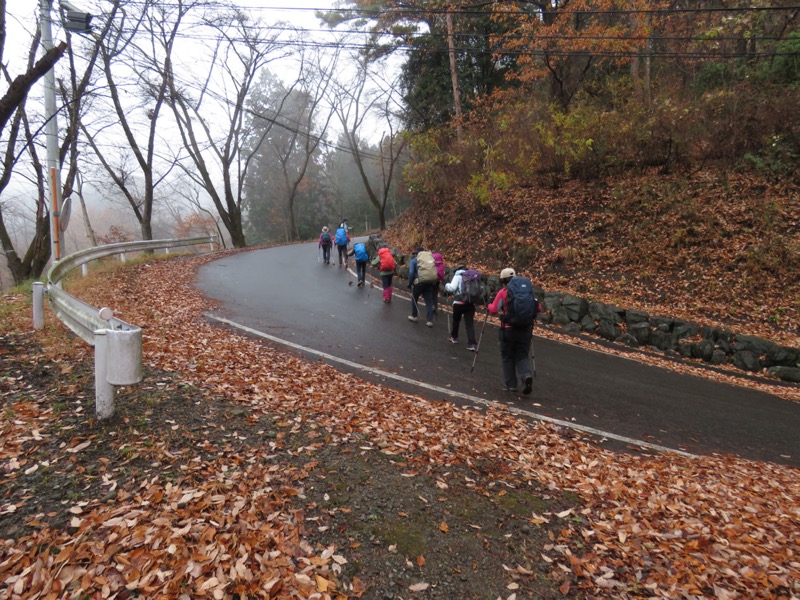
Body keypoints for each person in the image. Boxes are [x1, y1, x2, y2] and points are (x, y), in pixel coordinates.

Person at [487, 267, 535, 395]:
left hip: (508, 329)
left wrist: (488, 304)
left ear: (503, 280)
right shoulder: (527, 291)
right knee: (522, 355)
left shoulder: (503, 292)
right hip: (525, 329)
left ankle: (511, 384)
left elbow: (493, 310)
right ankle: (526, 376)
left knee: (507, 356)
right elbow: (538, 307)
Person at [445, 265, 478, 351]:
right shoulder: (472, 277)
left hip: (459, 303)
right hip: (470, 303)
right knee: (469, 324)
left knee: (456, 320)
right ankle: (471, 344)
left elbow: (452, 288)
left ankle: (454, 337)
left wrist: (446, 285)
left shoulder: (458, 275)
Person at [407, 247, 436, 327]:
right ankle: (430, 321)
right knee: (429, 301)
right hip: (429, 282)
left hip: (419, 283)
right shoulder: (429, 259)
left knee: (414, 298)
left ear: (417, 253)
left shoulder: (414, 261)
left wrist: (409, 283)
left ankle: (414, 316)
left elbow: (411, 273)